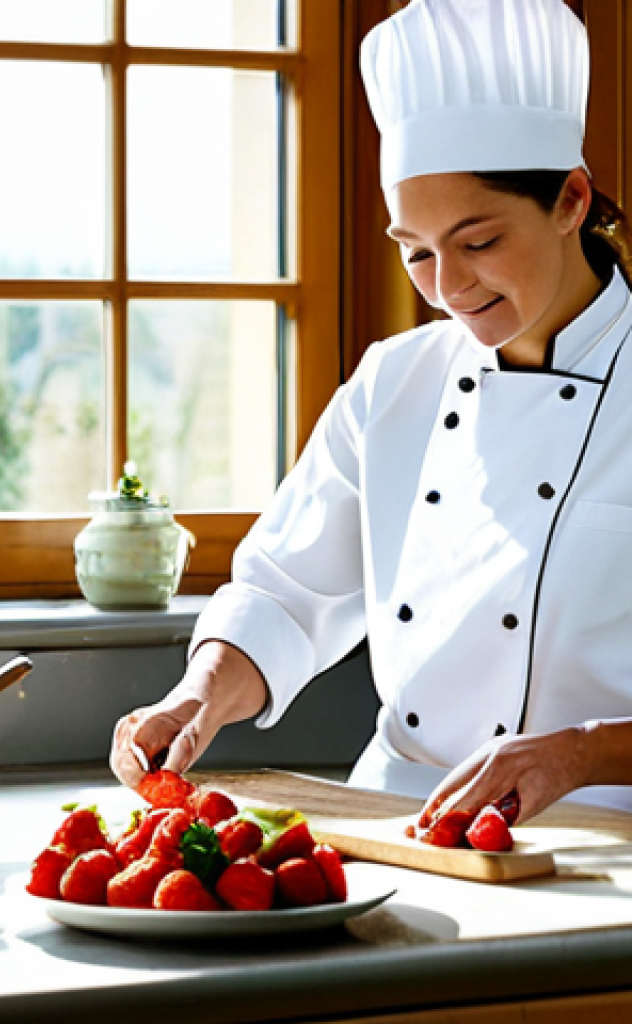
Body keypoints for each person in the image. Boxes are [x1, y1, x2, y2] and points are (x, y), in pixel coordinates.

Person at [111, 0, 632, 827]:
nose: (448, 288)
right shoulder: (397, 383)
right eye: (416, 251)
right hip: (395, 823)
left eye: (480, 241)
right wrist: (196, 699)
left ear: (571, 200)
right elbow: (284, 594)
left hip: (603, 835)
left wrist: (581, 751)